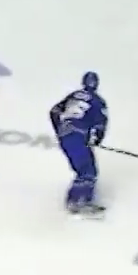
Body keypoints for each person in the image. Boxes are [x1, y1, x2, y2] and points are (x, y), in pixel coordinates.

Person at [50, 72, 108, 216]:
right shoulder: (98, 101)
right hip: (78, 135)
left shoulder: (73, 95)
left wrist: (60, 129)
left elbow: (54, 111)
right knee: (88, 170)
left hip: (66, 136)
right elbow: (100, 124)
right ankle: (79, 202)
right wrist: (96, 139)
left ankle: (77, 199)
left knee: (84, 169)